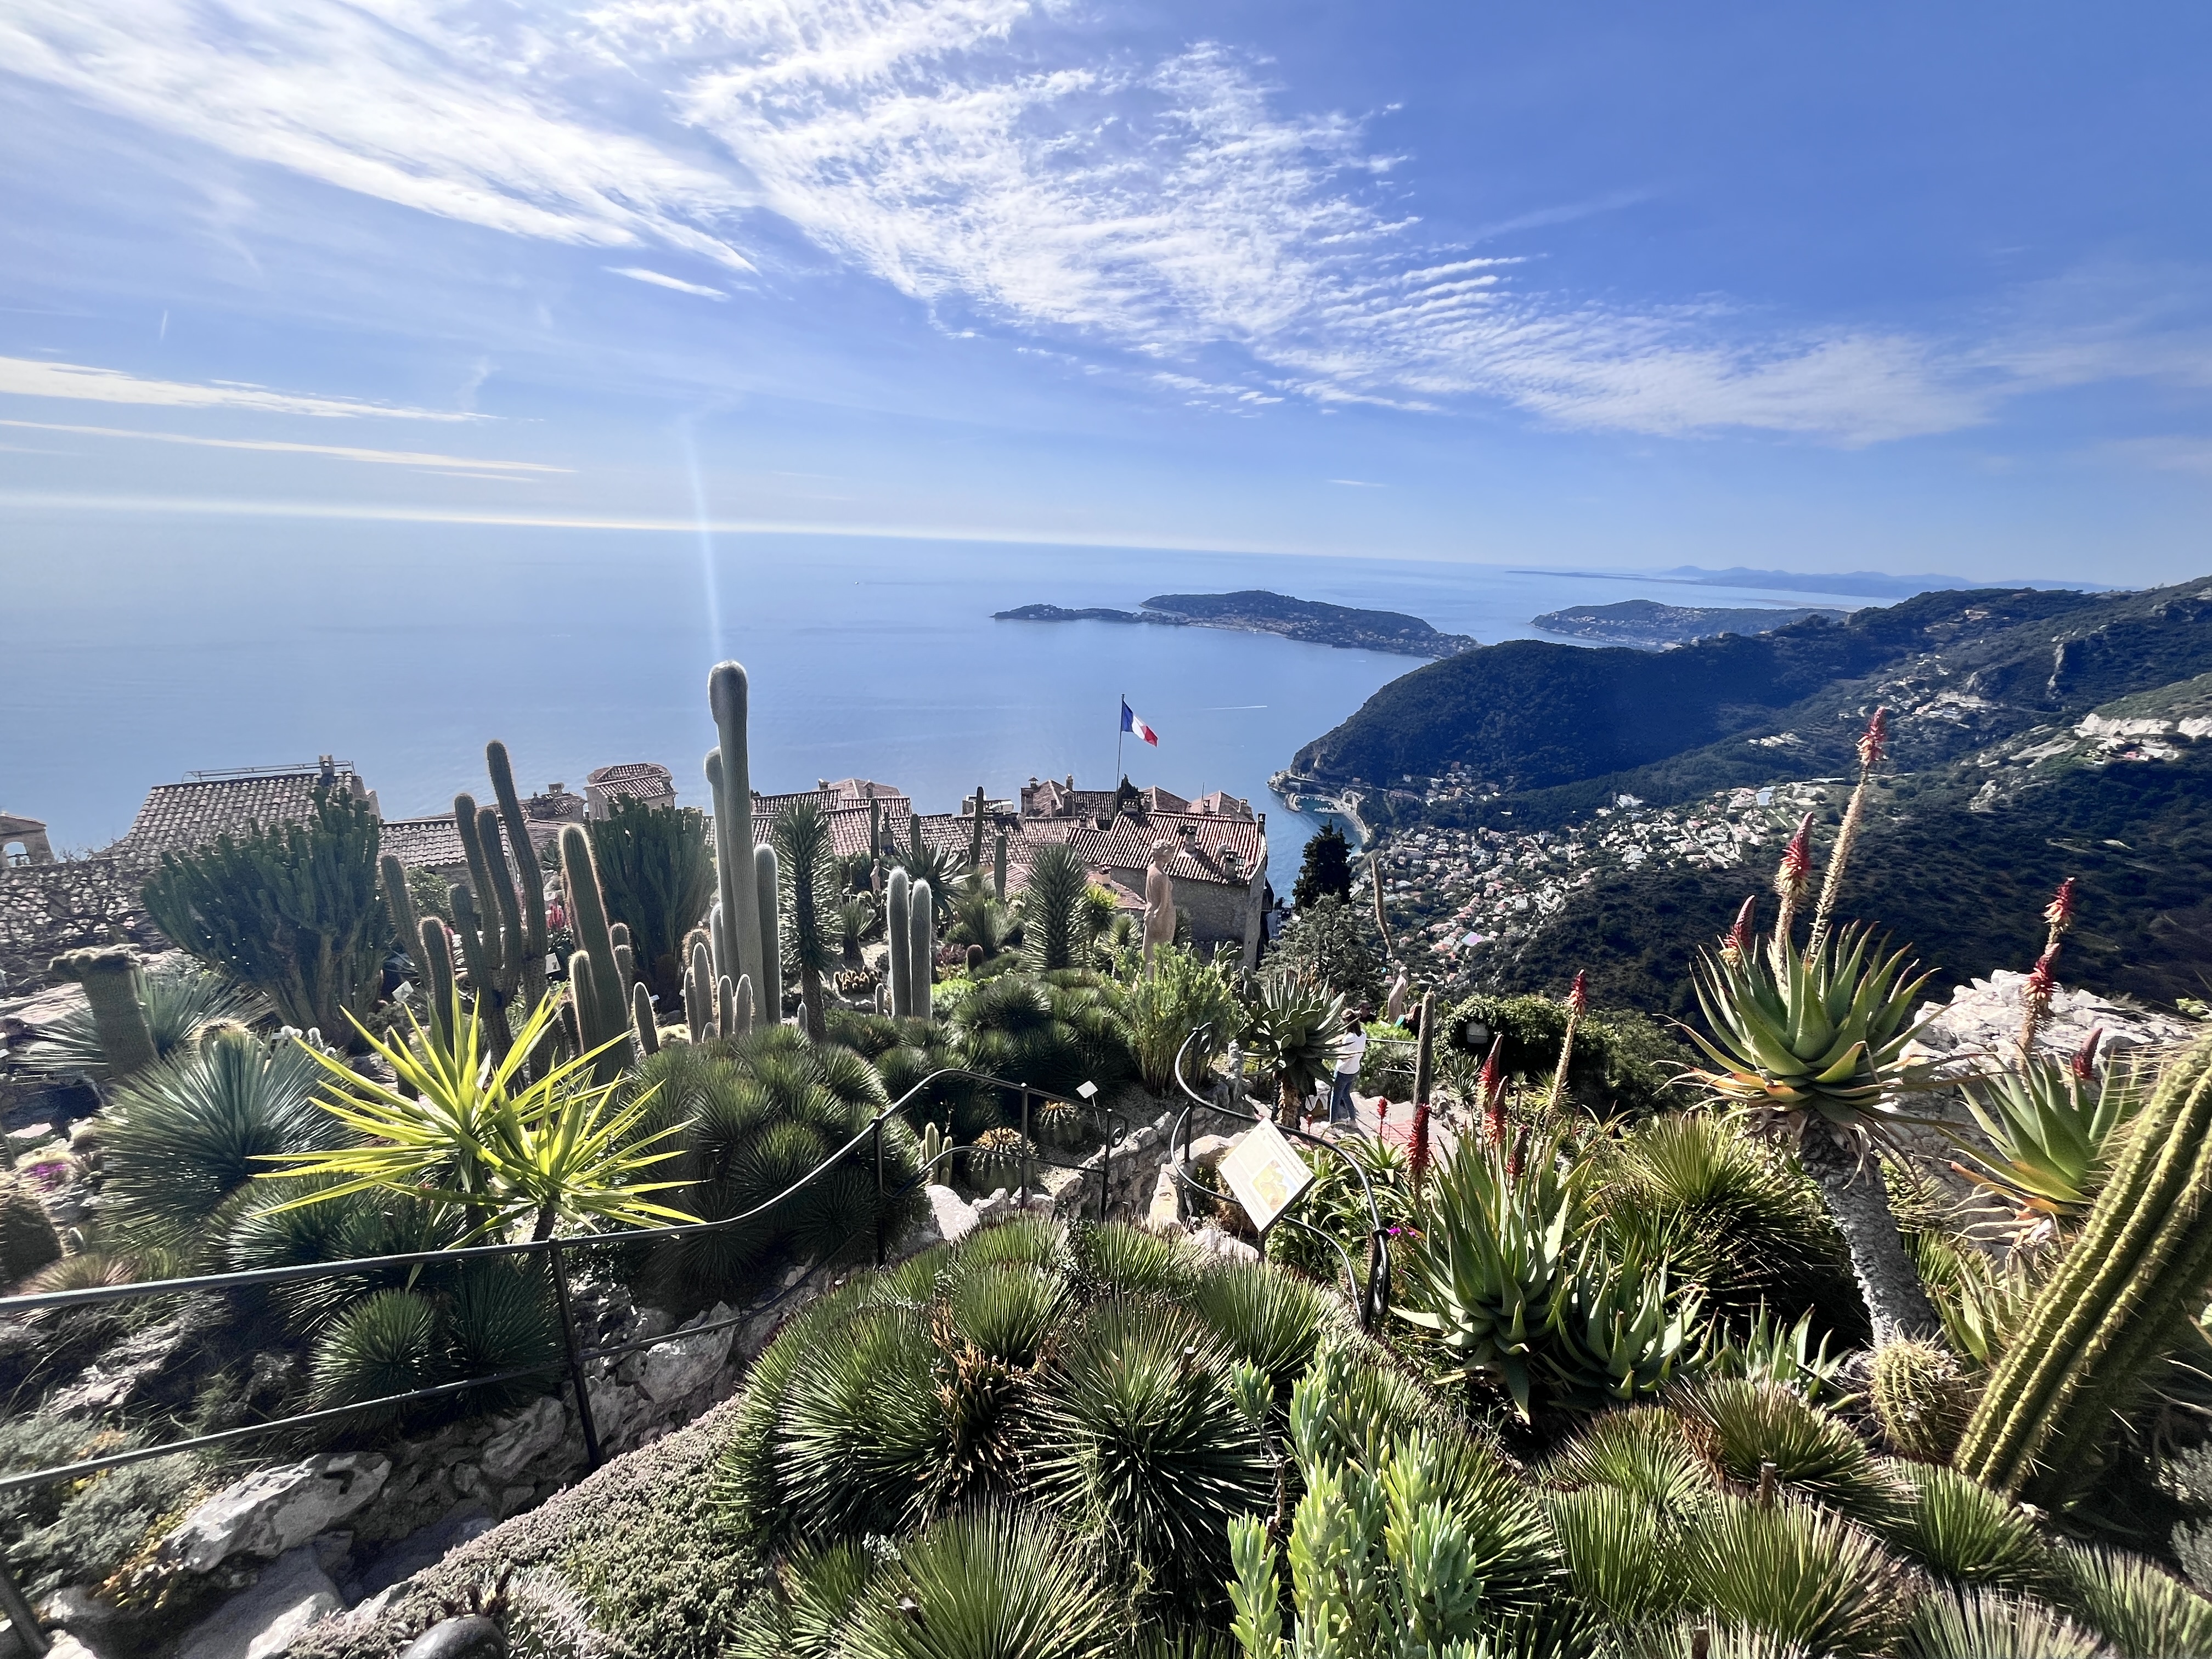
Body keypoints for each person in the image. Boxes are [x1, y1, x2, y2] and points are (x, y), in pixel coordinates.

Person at [1328, 1009, 1370, 1128]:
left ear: (1346, 1022)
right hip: (1354, 1070)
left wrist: (1336, 1048)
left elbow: (1343, 1058)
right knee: (1346, 1094)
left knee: (1335, 1097)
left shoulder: (1349, 1038)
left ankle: (1332, 1125)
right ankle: (1353, 1120)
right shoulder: (1362, 1034)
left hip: (1343, 1071)